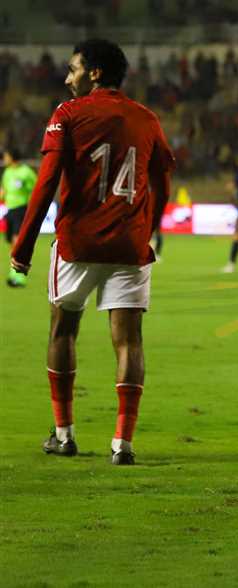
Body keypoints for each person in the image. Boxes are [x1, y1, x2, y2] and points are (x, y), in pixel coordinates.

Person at [9, 39, 174, 465]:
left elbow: (45, 185)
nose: (68, 79)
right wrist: (147, 229)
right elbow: (164, 183)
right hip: (130, 247)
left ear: (95, 72)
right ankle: (123, 443)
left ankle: (64, 435)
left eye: (73, 69)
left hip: (78, 244)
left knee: (62, 331)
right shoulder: (146, 118)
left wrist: (22, 247)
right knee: (129, 343)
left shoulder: (68, 115)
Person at [2, 147, 36, 286]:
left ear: (12, 156)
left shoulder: (26, 172)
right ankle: (13, 272)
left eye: (6, 156)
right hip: (10, 210)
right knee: (11, 243)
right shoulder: (8, 172)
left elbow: (36, 190)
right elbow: (4, 190)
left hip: (22, 210)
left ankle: (19, 277)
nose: (4, 159)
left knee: (17, 242)